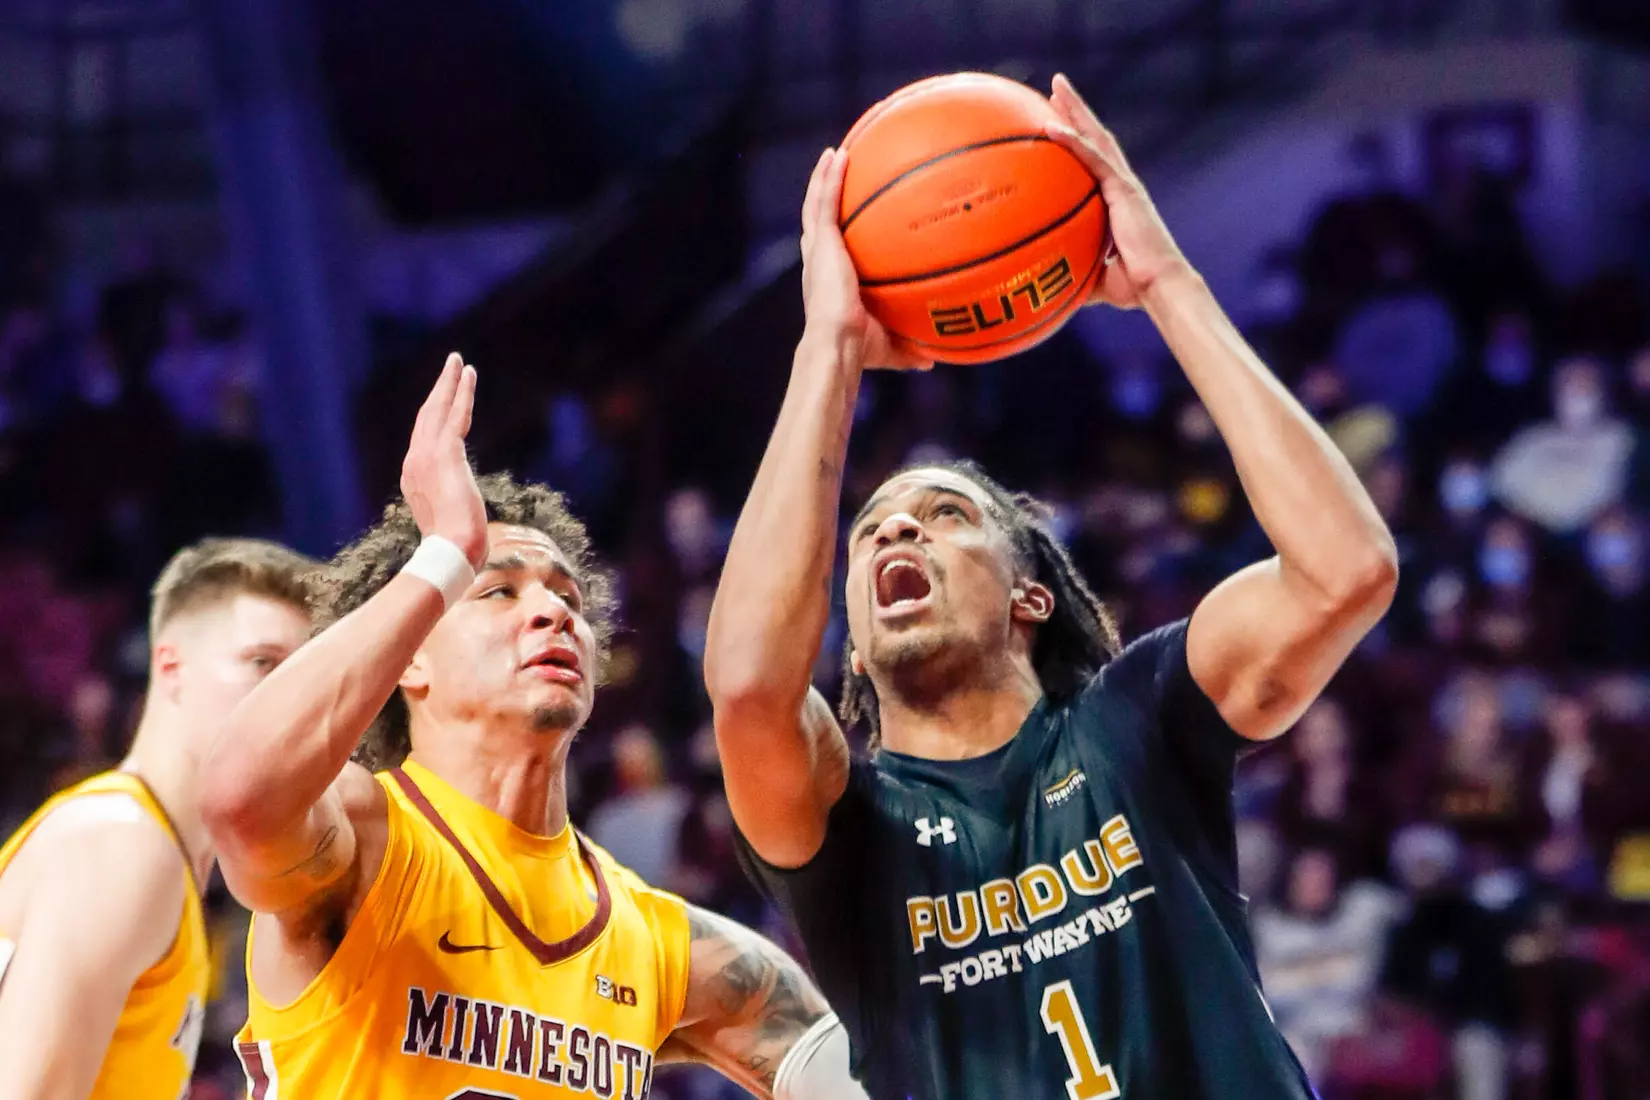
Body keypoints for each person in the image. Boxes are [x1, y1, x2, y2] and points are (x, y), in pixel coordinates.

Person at [704, 74, 1398, 1099]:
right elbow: (751, 684)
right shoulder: (845, 823)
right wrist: (829, 353)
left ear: (1031, 596)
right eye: (871, 529)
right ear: (848, 635)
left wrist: (1168, 283)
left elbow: (1347, 571)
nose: (897, 523)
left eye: (947, 515)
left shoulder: (1134, 719)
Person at [201, 355, 864, 1099]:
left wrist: (829, 362)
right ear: (409, 658)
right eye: (499, 592)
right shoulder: (367, 842)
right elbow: (237, 796)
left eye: (567, 598)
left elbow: (855, 1073)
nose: (554, 613)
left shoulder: (659, 944)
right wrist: (447, 554)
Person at [0, 538, 316, 1099]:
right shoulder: (124, 847)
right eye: (262, 663)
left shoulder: (167, 859)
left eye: (306, 674)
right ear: (171, 668)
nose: (287, 695)